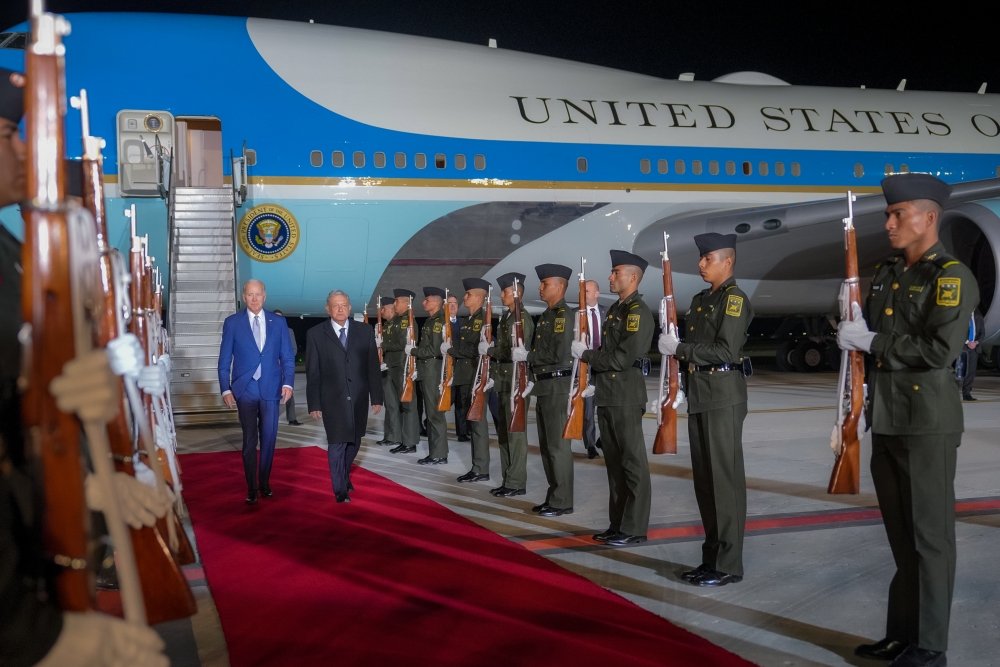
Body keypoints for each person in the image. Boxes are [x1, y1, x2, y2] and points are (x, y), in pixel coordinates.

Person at [1, 64, 168, 667]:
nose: (22, 149)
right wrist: (32, 634)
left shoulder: (11, 257)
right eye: (6, 135)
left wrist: (90, 487)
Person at [837, 173, 977, 667]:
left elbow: (938, 351)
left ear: (929, 218)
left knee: (930, 539)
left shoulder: (950, 276)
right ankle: (902, 634)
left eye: (899, 214)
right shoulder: (891, 271)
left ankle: (931, 646)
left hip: (927, 423)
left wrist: (869, 342)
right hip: (889, 418)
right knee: (901, 536)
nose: (889, 222)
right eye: (889, 214)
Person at [658, 232, 753, 586]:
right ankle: (711, 558)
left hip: (724, 395)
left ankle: (728, 564)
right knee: (706, 483)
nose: (701, 264)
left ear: (727, 262)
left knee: (724, 482)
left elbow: (726, 352)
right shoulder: (701, 300)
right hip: (701, 393)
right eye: (701, 258)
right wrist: (679, 383)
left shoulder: (734, 300)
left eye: (708, 259)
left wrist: (679, 349)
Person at [573, 251, 654, 546]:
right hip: (609, 394)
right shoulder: (617, 311)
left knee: (632, 463)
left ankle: (634, 527)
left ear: (632, 277)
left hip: (625, 395)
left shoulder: (636, 312)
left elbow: (621, 358)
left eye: (615, 272)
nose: (610, 277)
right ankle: (618, 523)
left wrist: (587, 355)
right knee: (615, 465)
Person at [217, 279, 296, 504]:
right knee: (250, 440)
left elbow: (287, 357)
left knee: (269, 439)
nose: (254, 298)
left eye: (258, 294)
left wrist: (288, 383)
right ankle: (251, 487)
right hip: (245, 389)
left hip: (272, 389)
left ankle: (264, 482)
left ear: (265, 296)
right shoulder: (232, 323)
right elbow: (224, 361)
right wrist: (225, 389)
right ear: (244, 296)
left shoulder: (278, 322)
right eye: (250, 294)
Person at [305, 290, 384, 503]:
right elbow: (313, 372)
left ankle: (344, 474)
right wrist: (314, 403)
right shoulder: (316, 334)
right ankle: (339, 489)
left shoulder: (365, 331)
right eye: (335, 305)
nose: (340, 309)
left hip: (358, 398)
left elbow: (372, 367)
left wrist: (377, 397)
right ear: (328, 309)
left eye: (344, 305)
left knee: (355, 442)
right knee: (337, 443)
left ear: (350, 307)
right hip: (332, 400)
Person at [513, 264, 575, 516]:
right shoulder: (549, 315)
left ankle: (562, 500)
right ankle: (554, 496)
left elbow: (557, 352)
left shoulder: (562, 315)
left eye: (545, 283)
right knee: (548, 447)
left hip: (558, 386)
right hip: (546, 385)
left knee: (558, 447)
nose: (540, 288)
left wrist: (528, 355)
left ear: (560, 286)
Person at [487, 272, 534, 497]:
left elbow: (512, 350)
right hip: (505, 381)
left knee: (515, 435)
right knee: (505, 434)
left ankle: (516, 482)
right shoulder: (508, 317)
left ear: (515, 293)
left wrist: (490, 350)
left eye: (505, 291)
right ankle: (509, 478)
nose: (501, 294)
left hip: (516, 381)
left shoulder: (521, 318)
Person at [447, 278, 491, 483]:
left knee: (478, 425)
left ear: (481, 298)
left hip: (476, 378)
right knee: (473, 425)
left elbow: (475, 350)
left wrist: (450, 349)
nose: (465, 297)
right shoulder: (469, 320)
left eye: (468, 294)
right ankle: (477, 466)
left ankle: (481, 468)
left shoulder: (484, 319)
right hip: (467, 378)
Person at [412, 287, 450, 464]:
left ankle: (439, 454)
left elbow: (433, 349)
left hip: (434, 370)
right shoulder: (431, 321)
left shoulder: (438, 321)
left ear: (437, 302)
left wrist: (413, 350)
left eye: (427, 300)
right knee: (432, 413)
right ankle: (436, 452)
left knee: (435, 414)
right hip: (428, 369)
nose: (423, 302)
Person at [384, 289, 420, 454]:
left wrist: (381, 345)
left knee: (408, 406)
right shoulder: (397, 321)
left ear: (407, 303)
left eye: (397, 301)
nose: (395, 304)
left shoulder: (408, 322)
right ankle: (402, 439)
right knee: (398, 405)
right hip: (393, 366)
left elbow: (401, 344)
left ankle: (410, 442)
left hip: (403, 366)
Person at [581, 278, 606, 459]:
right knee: (588, 412)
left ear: (597, 293)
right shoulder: (576, 314)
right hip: (586, 367)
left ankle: (603, 439)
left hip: (604, 367)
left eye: (587, 291)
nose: (583, 294)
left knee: (606, 408)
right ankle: (590, 445)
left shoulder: (607, 313)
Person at [373, 296, 398, 443]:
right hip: (385, 369)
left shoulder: (396, 325)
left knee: (392, 405)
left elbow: (398, 345)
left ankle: (393, 436)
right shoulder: (387, 325)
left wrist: (383, 344)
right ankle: (389, 435)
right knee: (389, 405)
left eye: (384, 308)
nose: (381, 311)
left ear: (391, 308)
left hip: (392, 369)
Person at [272, 309, 302, 425]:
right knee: (272, 394)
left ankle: (292, 418)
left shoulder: (289, 331)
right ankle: (271, 418)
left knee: (289, 392)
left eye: (280, 317)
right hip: (271, 367)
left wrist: (283, 359)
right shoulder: (265, 331)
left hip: (284, 367)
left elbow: (293, 349)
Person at [447, 292, 470, 441]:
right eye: (450, 303)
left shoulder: (464, 323)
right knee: (448, 400)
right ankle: (429, 423)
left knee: (462, 401)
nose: (453, 306)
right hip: (447, 367)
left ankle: (462, 433)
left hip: (461, 367)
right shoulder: (442, 323)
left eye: (455, 303)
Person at [959, 309, 985, 401]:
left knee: (971, 372)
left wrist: (976, 343)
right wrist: (967, 342)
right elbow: (958, 331)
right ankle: (952, 393)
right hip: (963, 347)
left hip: (974, 348)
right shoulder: (962, 313)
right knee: (960, 372)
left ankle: (967, 394)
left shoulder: (978, 315)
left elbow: (982, 333)